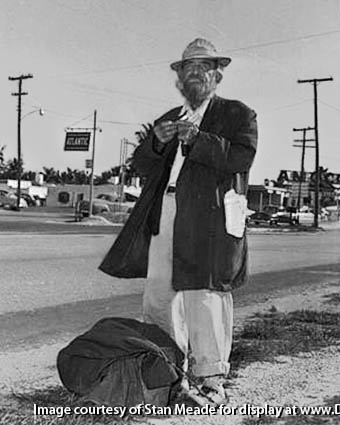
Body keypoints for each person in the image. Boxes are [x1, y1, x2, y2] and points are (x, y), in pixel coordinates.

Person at [99, 38, 257, 405]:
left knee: (205, 296)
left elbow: (242, 158)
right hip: (165, 212)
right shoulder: (168, 118)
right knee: (158, 295)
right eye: (188, 68)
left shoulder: (237, 114)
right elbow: (141, 165)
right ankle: (165, 376)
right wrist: (154, 143)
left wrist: (199, 140)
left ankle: (210, 381)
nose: (195, 73)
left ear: (217, 75)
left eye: (203, 67)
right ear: (179, 79)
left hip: (209, 219)